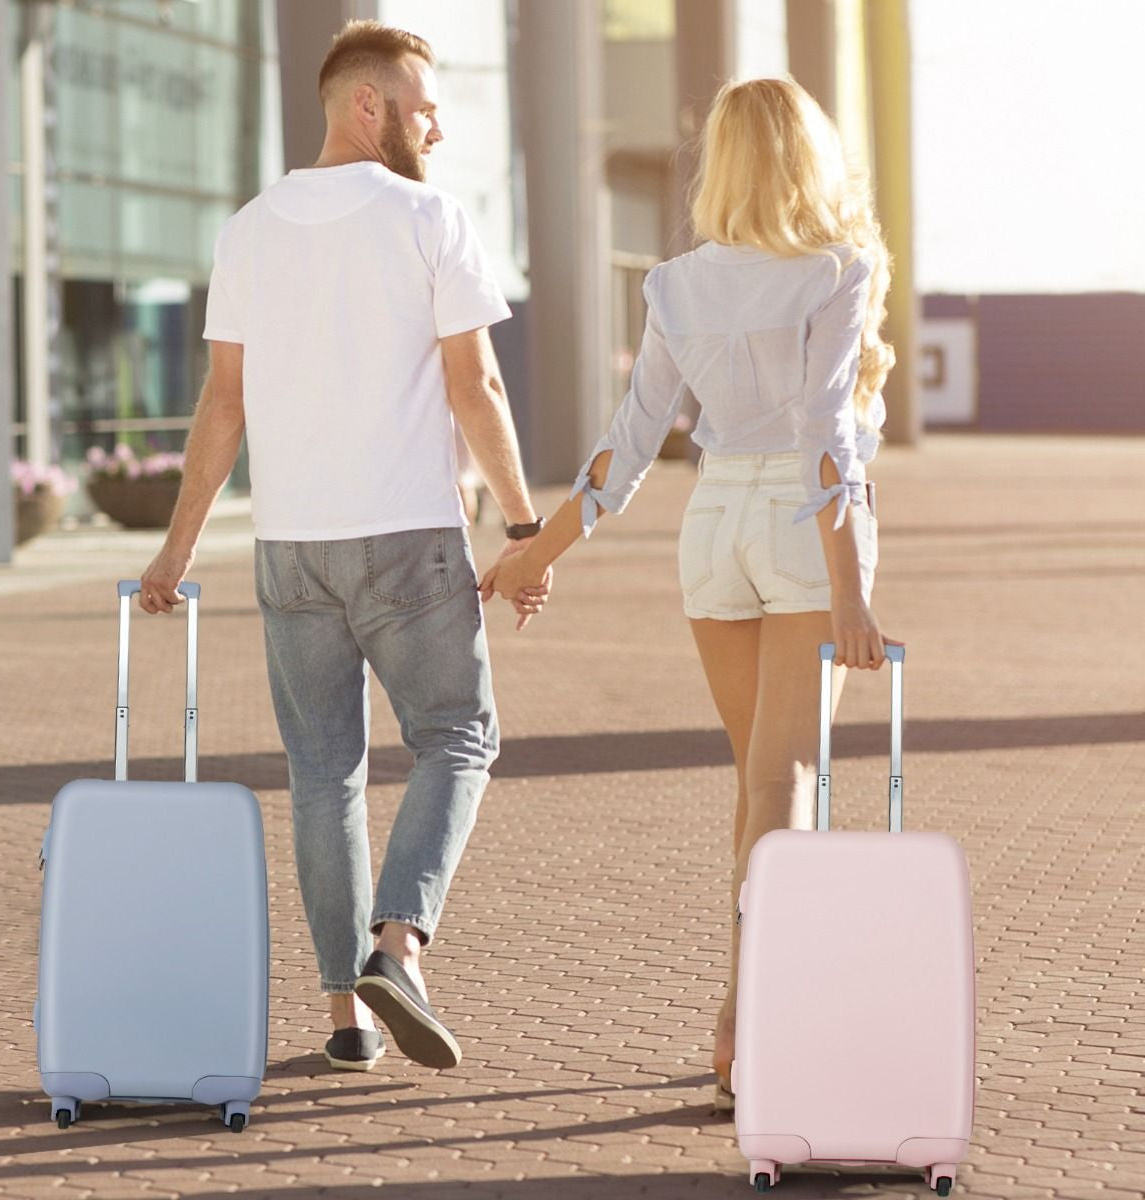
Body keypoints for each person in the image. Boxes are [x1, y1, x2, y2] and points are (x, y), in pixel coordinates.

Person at [480, 77, 902, 1111]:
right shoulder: (837, 268)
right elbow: (825, 436)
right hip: (801, 527)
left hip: (712, 527)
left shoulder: (674, 284)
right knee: (784, 779)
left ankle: (745, 1008)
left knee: (758, 783)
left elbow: (627, 446)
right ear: (808, 158)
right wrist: (850, 591)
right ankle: (753, 1020)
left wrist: (540, 553)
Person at [139, 20, 548, 1074]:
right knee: (458, 736)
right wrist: (525, 526)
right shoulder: (427, 217)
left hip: (291, 550)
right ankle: (398, 947)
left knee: (324, 774)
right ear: (368, 105)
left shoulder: (248, 229)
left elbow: (221, 407)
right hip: (407, 537)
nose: (436, 128)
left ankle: (346, 1017)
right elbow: (476, 385)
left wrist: (175, 554)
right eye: (424, 109)